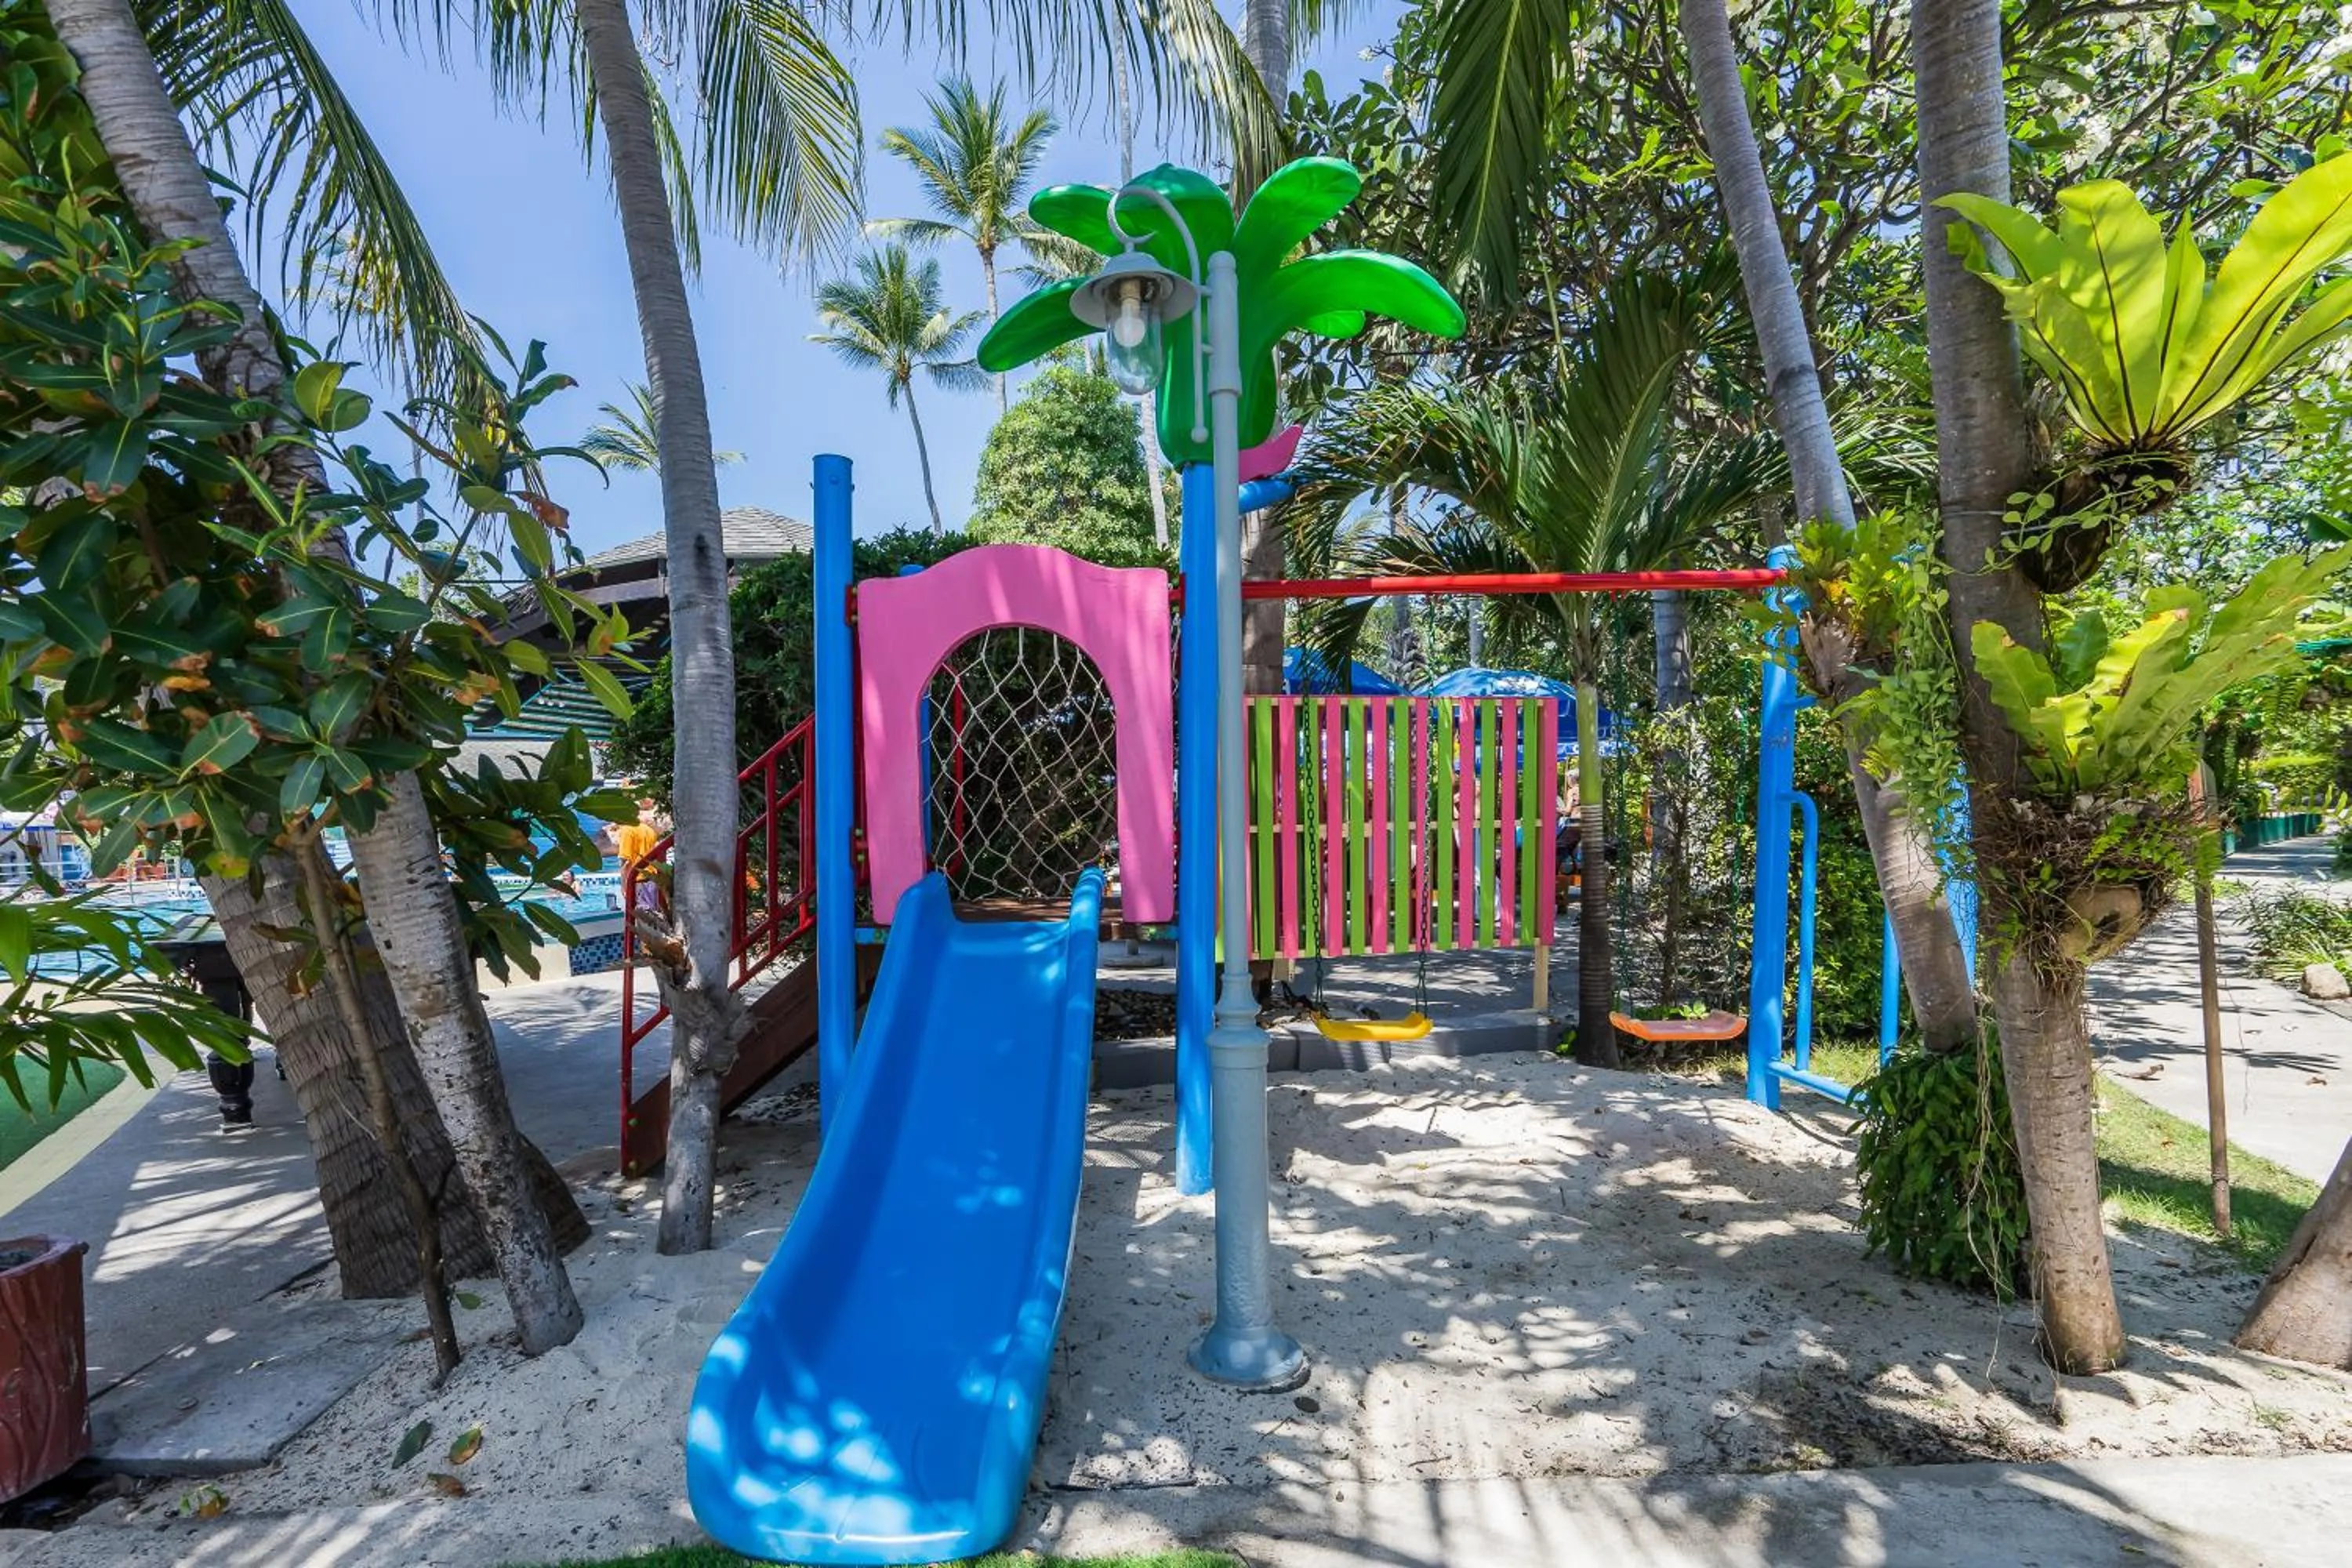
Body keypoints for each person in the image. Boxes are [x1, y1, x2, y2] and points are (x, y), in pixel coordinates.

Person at [615, 797, 667, 911]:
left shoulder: (627, 830)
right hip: (653, 879)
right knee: (653, 916)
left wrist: (623, 887)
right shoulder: (650, 830)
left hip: (637, 880)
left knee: (641, 916)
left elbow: (625, 861)